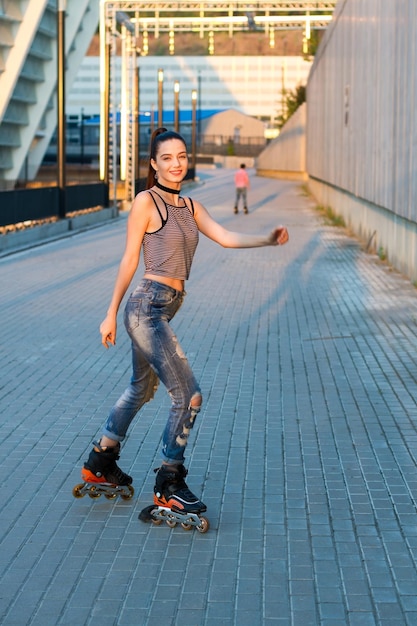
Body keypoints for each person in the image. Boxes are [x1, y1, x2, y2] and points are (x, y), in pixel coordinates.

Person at [80, 128, 289, 515]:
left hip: (165, 307)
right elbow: (129, 260)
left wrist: (267, 238)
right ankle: (169, 481)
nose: (177, 164)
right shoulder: (146, 201)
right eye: (168, 158)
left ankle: (101, 461)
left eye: (182, 156)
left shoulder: (191, 207)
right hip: (146, 309)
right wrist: (110, 312)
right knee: (188, 394)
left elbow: (225, 237)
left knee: (141, 389)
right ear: (154, 164)